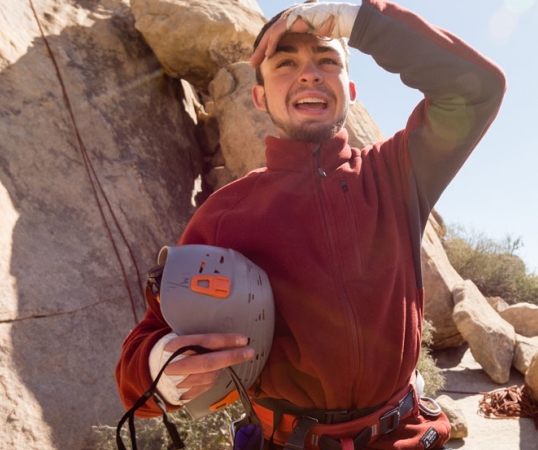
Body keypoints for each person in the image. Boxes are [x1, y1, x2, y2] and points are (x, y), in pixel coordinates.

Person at [115, 1, 506, 449]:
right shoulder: (225, 215)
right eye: (285, 64)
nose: (309, 74)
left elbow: (477, 90)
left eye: (327, 60)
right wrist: (160, 368)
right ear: (260, 97)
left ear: (350, 90)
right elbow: (139, 360)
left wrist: (358, 21)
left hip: (406, 435)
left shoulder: (397, 175)